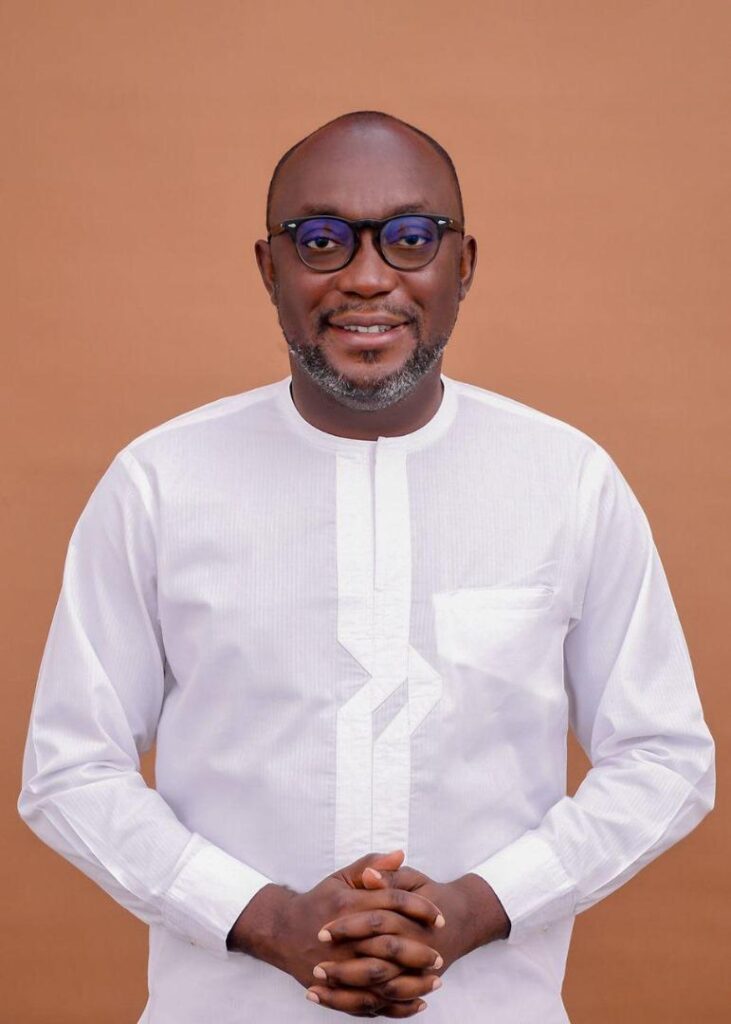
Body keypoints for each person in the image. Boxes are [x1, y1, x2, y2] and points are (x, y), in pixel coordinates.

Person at [17, 110, 715, 1023]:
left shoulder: (566, 480)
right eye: (321, 240)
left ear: (463, 264)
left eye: (411, 237)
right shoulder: (158, 483)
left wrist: (479, 907)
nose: (367, 276)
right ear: (269, 268)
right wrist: (260, 918)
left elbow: (664, 758)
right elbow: (70, 768)